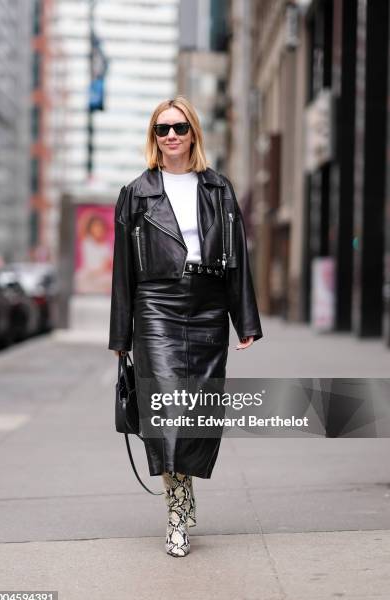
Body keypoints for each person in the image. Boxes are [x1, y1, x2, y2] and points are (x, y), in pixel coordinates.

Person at [108, 95, 263, 557]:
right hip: (156, 304)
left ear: (193, 133)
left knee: (196, 411)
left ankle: (184, 488)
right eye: (162, 129)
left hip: (209, 304)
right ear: (153, 137)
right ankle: (177, 512)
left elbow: (238, 259)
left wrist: (245, 320)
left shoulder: (219, 189)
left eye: (179, 127)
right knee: (166, 409)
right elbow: (122, 272)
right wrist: (121, 337)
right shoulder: (135, 194)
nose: (171, 136)